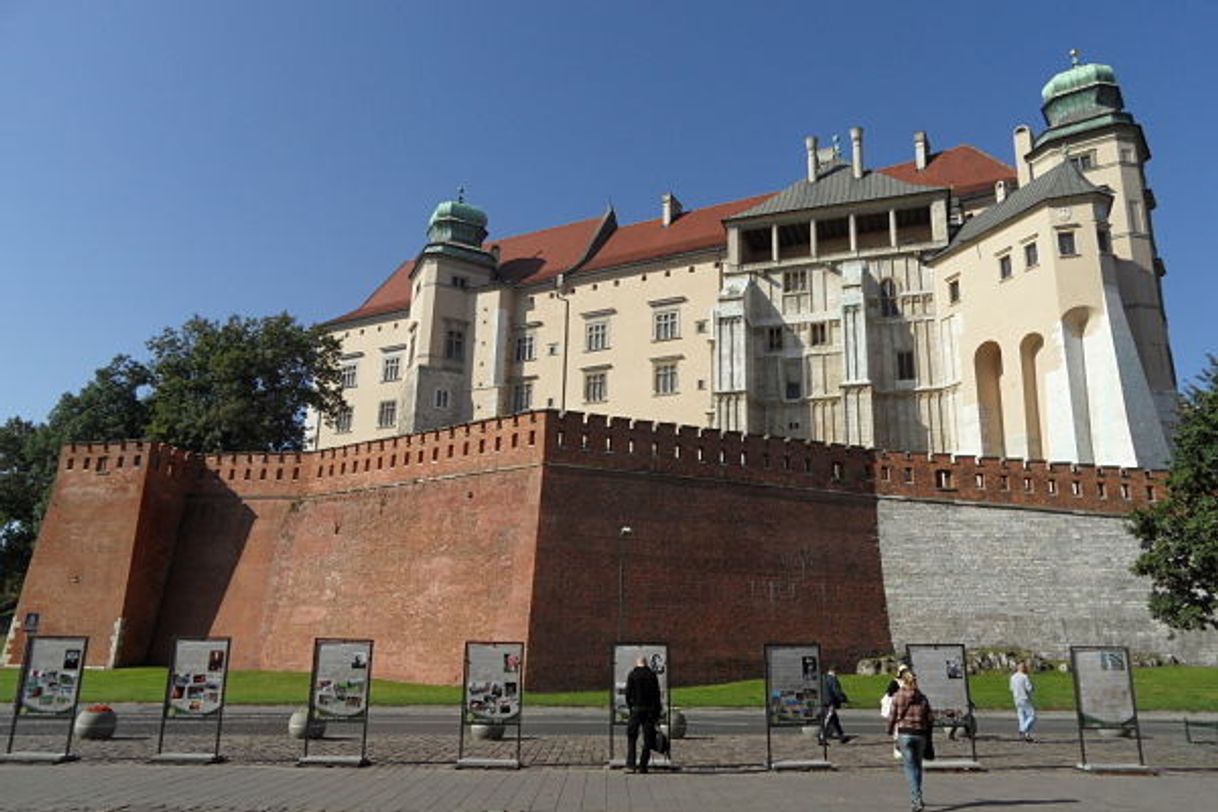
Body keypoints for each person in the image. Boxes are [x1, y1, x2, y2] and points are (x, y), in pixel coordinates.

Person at [887, 669, 933, 812]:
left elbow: (892, 716)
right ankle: (918, 795)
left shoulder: (898, 696)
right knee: (917, 766)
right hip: (920, 734)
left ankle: (916, 798)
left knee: (909, 767)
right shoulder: (922, 697)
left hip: (905, 733)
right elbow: (930, 718)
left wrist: (889, 730)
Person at [624, 656, 662, 773]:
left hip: (636, 709)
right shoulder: (652, 675)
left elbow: (628, 694)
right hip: (649, 711)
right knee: (648, 738)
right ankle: (643, 765)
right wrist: (657, 712)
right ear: (646, 663)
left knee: (632, 737)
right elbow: (657, 695)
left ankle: (631, 764)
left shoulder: (632, 675)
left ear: (637, 663)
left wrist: (631, 707)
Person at [883, 663, 910, 758]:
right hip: (898, 708)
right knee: (897, 731)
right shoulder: (895, 682)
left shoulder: (909, 682)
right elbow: (889, 694)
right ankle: (897, 749)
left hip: (907, 709)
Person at [819, 666, 849, 743]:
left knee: (834, 719)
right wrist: (843, 699)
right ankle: (821, 737)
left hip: (823, 701)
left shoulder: (823, 678)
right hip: (829, 702)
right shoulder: (833, 679)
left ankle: (841, 736)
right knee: (828, 719)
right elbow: (836, 691)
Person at [1009, 661, 1036, 742]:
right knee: (1032, 715)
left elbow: (1011, 688)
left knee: (1022, 716)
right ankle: (1023, 729)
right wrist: (1033, 688)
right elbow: (1029, 688)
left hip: (1016, 698)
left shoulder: (1013, 677)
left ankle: (1026, 735)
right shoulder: (1024, 677)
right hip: (1024, 698)